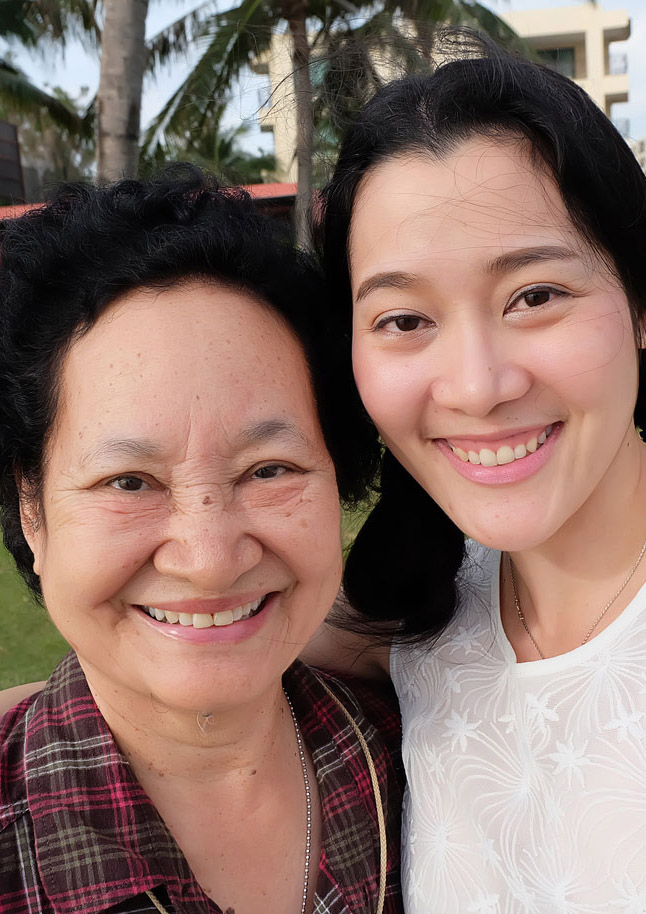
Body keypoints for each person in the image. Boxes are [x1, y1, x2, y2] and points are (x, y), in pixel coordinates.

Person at [0, 170, 403, 914]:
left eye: (269, 469)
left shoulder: (411, 756)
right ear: (31, 505)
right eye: (129, 481)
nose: (211, 557)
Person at [312, 37, 646, 911]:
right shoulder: (419, 608)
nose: (476, 387)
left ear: (641, 303)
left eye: (534, 296)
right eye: (404, 318)